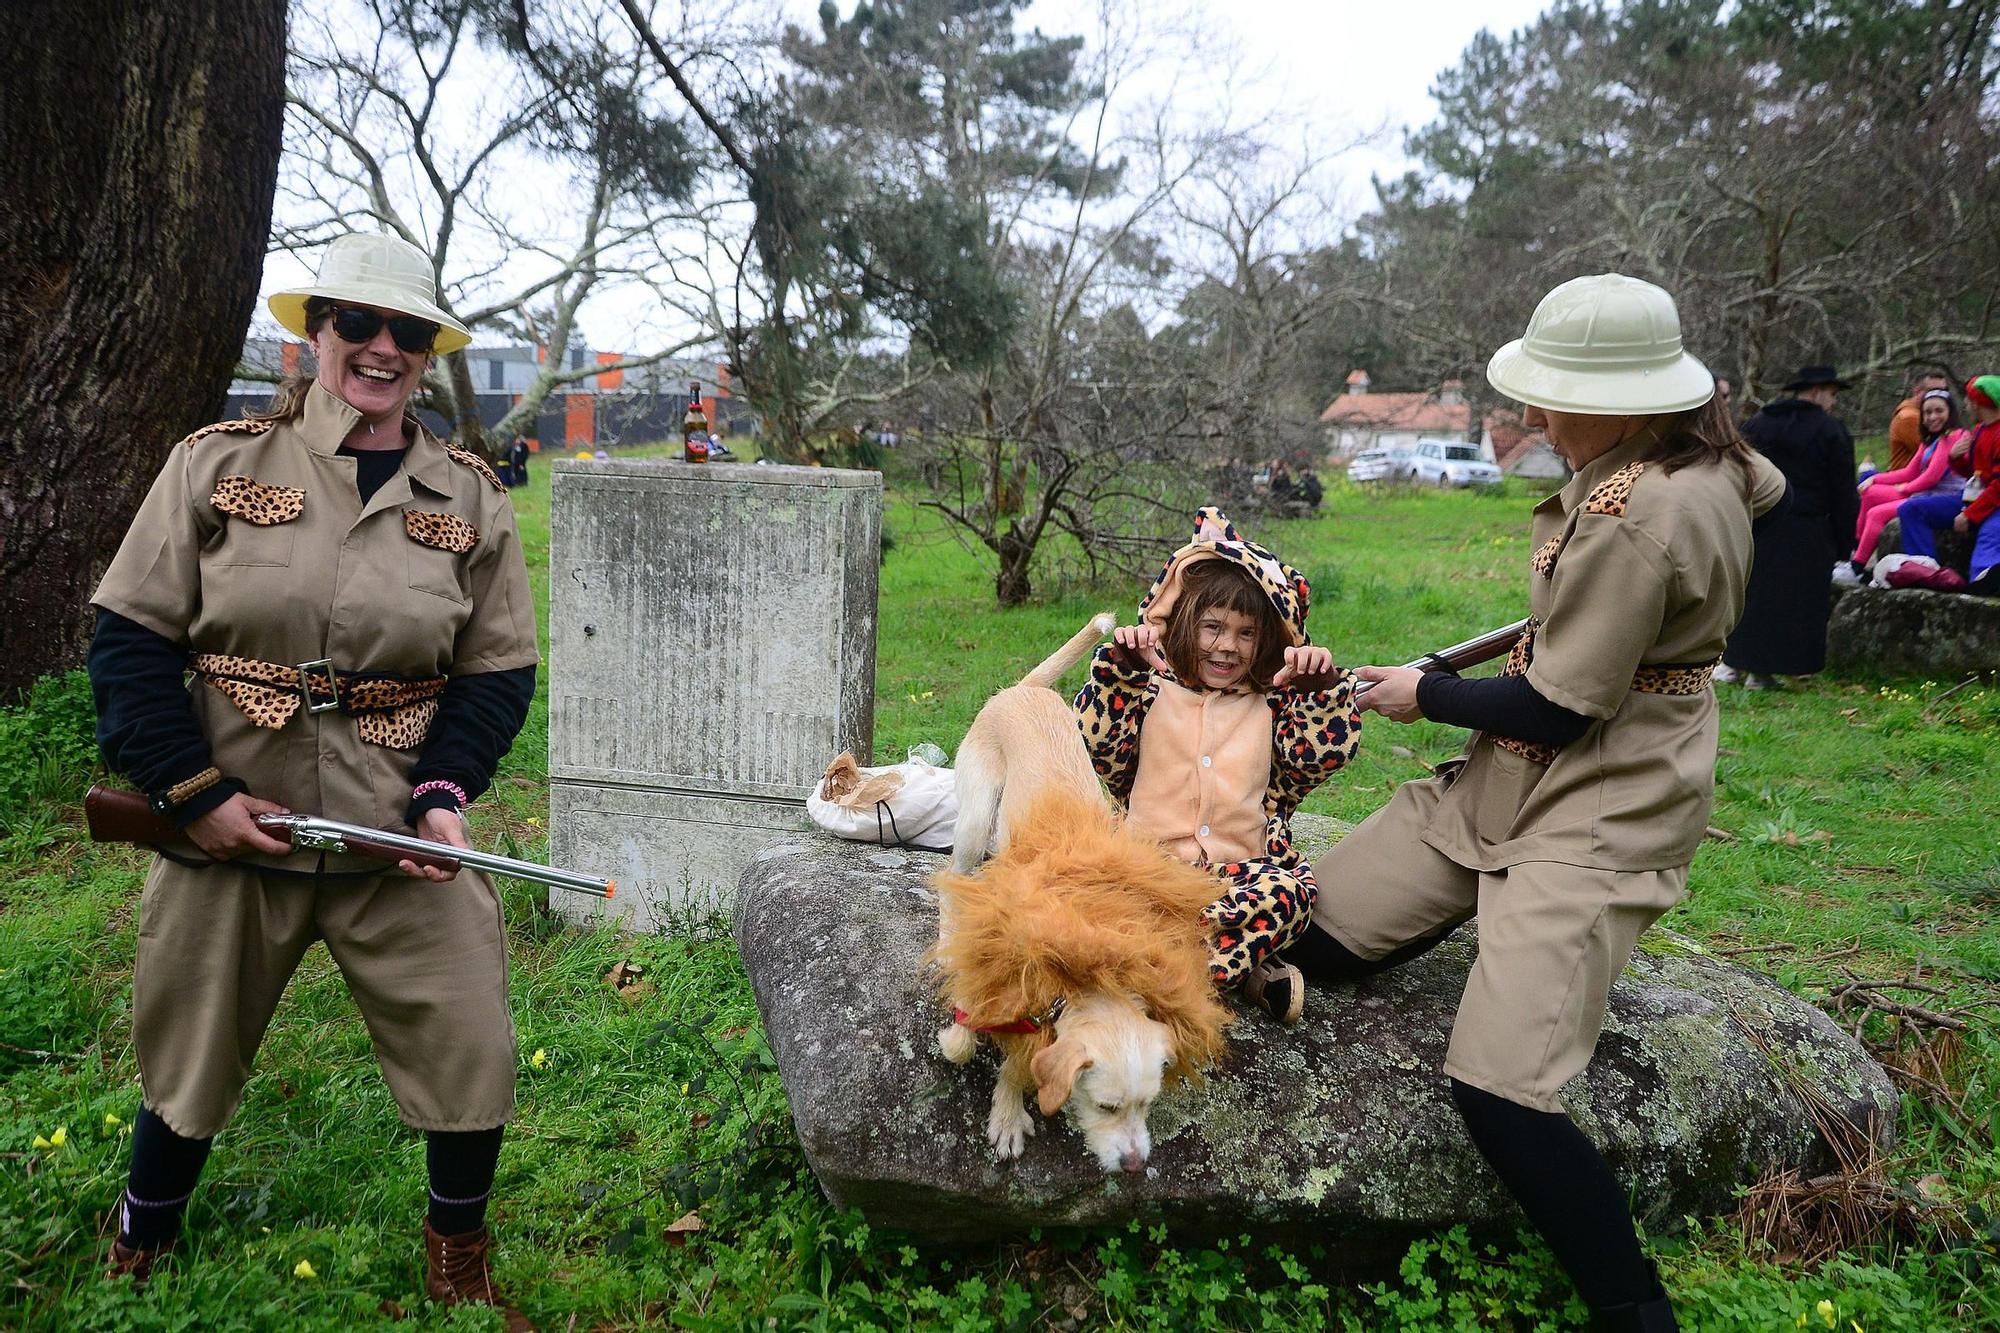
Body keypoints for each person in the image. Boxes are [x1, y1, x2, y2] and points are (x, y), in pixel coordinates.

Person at [1276, 274, 1785, 1331]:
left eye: (1551, 396)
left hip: (1600, 804)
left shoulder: (1636, 513)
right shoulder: (1707, 460)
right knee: (1296, 924)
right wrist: (1451, 667)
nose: (1528, 418)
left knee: (1498, 1089)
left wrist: (1422, 695)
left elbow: (1557, 706)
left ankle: (1632, 1311)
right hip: (1501, 780)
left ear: (1633, 398)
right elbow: (1732, 517)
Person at [88, 232, 540, 1328]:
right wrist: (193, 793)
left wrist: (443, 794)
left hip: (395, 833)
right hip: (232, 823)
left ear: (428, 353)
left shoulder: (471, 499)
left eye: (408, 333)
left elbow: (495, 671)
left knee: (470, 1037)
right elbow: (130, 638)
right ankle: (142, 1239)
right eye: (358, 325)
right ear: (314, 334)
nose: (383, 349)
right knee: (187, 1050)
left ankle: (459, 1255)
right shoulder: (217, 465)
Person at [1075, 508, 1361, 1023]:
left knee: (1291, 896)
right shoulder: (1149, 691)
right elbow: (1097, 746)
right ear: (1182, 625)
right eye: (1212, 627)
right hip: (1145, 870)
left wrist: (1320, 693)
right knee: (1089, 896)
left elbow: (1316, 759)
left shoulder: (1273, 705)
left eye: (1247, 633)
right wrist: (1121, 674)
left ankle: (1161, 979)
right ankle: (1241, 972)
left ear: (1269, 641)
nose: (1227, 645)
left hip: (1237, 877)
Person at [1717, 365, 1857, 688]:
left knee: (1753, 595)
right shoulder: (1830, 431)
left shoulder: (1758, 423)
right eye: (1833, 395)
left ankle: (1739, 664)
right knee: (1795, 601)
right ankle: (1768, 671)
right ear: (1818, 390)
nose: (1833, 402)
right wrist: (1843, 540)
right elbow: (1842, 491)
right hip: (1807, 527)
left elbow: (1739, 471)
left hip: (1760, 519)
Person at [1840, 388, 1966, 582]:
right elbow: (1910, 472)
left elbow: (1932, 477)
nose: (1933, 417)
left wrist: (1904, 489)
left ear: (1950, 412)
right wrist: (1874, 478)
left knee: (1877, 513)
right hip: (1924, 495)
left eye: (1939, 411)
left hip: (1943, 498)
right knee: (1871, 492)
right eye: (1928, 412)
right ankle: (1855, 549)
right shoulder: (1929, 441)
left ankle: (1857, 567)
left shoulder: (1953, 436)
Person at [1898, 375, 2000, 593]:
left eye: (1969, 400)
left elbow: (1998, 487)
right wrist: (1955, 458)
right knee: (1912, 510)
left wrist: (1970, 515)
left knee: (1990, 537)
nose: (1966, 404)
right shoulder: (1979, 430)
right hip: (1975, 498)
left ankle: (1984, 580)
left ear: (1977, 402)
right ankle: (1928, 572)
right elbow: (1975, 474)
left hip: (1994, 505)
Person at [1886, 366, 1950, 472]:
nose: (1939, 395)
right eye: (1933, 390)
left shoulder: (1930, 415)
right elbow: (1933, 455)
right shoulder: (1908, 417)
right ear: (1917, 392)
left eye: (1944, 391)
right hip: (1907, 483)